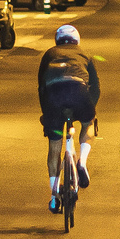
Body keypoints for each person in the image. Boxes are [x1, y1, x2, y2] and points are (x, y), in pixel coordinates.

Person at [38, 23, 100, 211]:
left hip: (54, 97)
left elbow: (42, 87)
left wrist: (46, 113)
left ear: (57, 41)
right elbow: (96, 88)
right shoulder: (84, 54)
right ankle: (82, 162)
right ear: (76, 40)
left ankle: (54, 197)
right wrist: (89, 110)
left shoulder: (49, 54)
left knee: (54, 147)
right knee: (89, 122)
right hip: (78, 92)